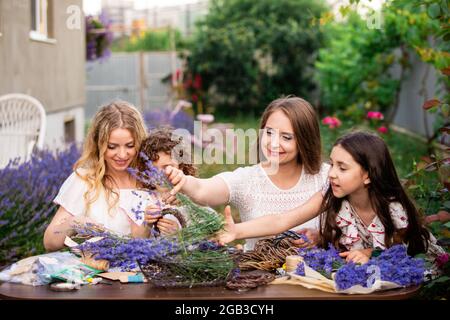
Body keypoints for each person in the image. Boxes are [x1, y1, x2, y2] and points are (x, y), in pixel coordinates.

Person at [218, 131, 446, 264]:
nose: (332, 173)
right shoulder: (333, 194)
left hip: (411, 267)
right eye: (333, 164)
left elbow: (401, 250)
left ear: (367, 175)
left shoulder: (393, 208)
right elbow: (283, 220)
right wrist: (238, 231)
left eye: (342, 168)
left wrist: (368, 252)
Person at [166, 96, 330, 251]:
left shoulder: (326, 177)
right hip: (256, 276)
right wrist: (184, 181)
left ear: (305, 139)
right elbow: (203, 189)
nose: (273, 143)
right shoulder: (248, 179)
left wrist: (321, 237)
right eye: (269, 132)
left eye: (286, 137)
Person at [43, 101, 154, 251]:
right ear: (98, 144)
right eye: (112, 147)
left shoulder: (151, 181)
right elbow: (50, 242)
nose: (122, 155)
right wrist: (74, 223)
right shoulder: (84, 181)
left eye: (130, 145)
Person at [126, 127, 198, 235]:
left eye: (167, 167)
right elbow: (136, 241)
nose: (160, 175)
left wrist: (180, 235)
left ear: (182, 166)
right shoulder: (141, 200)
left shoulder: (193, 199)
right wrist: (146, 222)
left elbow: (205, 238)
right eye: (153, 169)